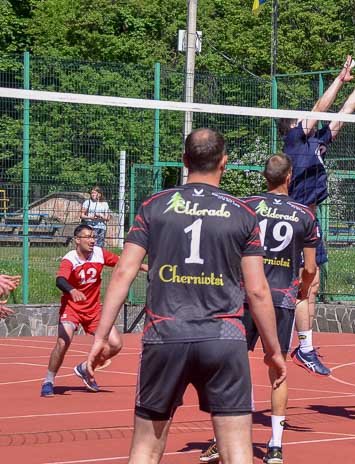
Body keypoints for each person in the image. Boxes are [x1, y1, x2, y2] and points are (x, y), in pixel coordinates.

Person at [85, 128, 287, 464]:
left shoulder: (154, 206)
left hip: (165, 335)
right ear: (224, 163)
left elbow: (124, 271)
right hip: (223, 338)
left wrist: (101, 336)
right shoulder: (243, 214)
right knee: (237, 451)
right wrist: (273, 351)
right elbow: (257, 289)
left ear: (184, 161)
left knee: (146, 449)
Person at [200, 153, 318, 464]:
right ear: (289, 176)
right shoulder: (304, 214)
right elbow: (310, 267)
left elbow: (227, 248)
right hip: (281, 300)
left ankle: (222, 439)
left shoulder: (246, 206)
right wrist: (303, 289)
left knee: (230, 367)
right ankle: (275, 446)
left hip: (242, 297)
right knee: (277, 369)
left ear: (264, 176)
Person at [281, 56, 355, 375]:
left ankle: (303, 345)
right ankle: (293, 343)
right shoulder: (294, 140)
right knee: (297, 286)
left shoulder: (316, 142)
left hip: (312, 221)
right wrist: (341, 79)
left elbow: (342, 116)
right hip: (295, 221)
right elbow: (319, 109)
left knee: (311, 284)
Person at [40, 225, 142, 397]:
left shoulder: (100, 254)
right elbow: (60, 280)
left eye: (93, 236)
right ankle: (48, 381)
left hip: (93, 311)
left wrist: (144, 267)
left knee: (116, 344)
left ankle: (85, 369)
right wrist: (72, 290)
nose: (92, 240)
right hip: (72, 308)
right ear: (77, 240)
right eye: (87, 236)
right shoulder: (70, 259)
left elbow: (122, 263)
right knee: (63, 342)